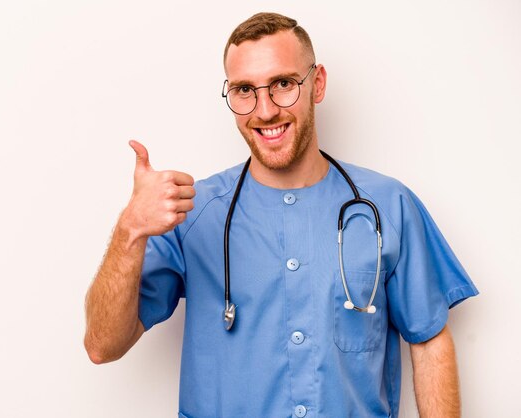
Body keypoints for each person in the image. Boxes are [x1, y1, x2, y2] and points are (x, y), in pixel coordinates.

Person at [84, 12, 478, 418]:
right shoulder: (190, 213)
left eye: (283, 84)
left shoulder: (387, 206)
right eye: (244, 90)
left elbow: (429, 341)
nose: (265, 110)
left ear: (317, 83)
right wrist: (130, 229)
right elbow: (102, 345)